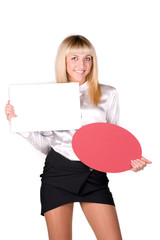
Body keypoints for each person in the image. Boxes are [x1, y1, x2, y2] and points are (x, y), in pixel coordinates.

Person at [5, 35, 152, 240]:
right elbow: (47, 146)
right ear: (63, 61)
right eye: (74, 58)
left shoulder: (108, 94)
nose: (81, 64)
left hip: (94, 175)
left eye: (87, 58)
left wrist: (130, 161)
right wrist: (19, 124)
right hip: (58, 174)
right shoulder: (48, 96)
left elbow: (111, 141)